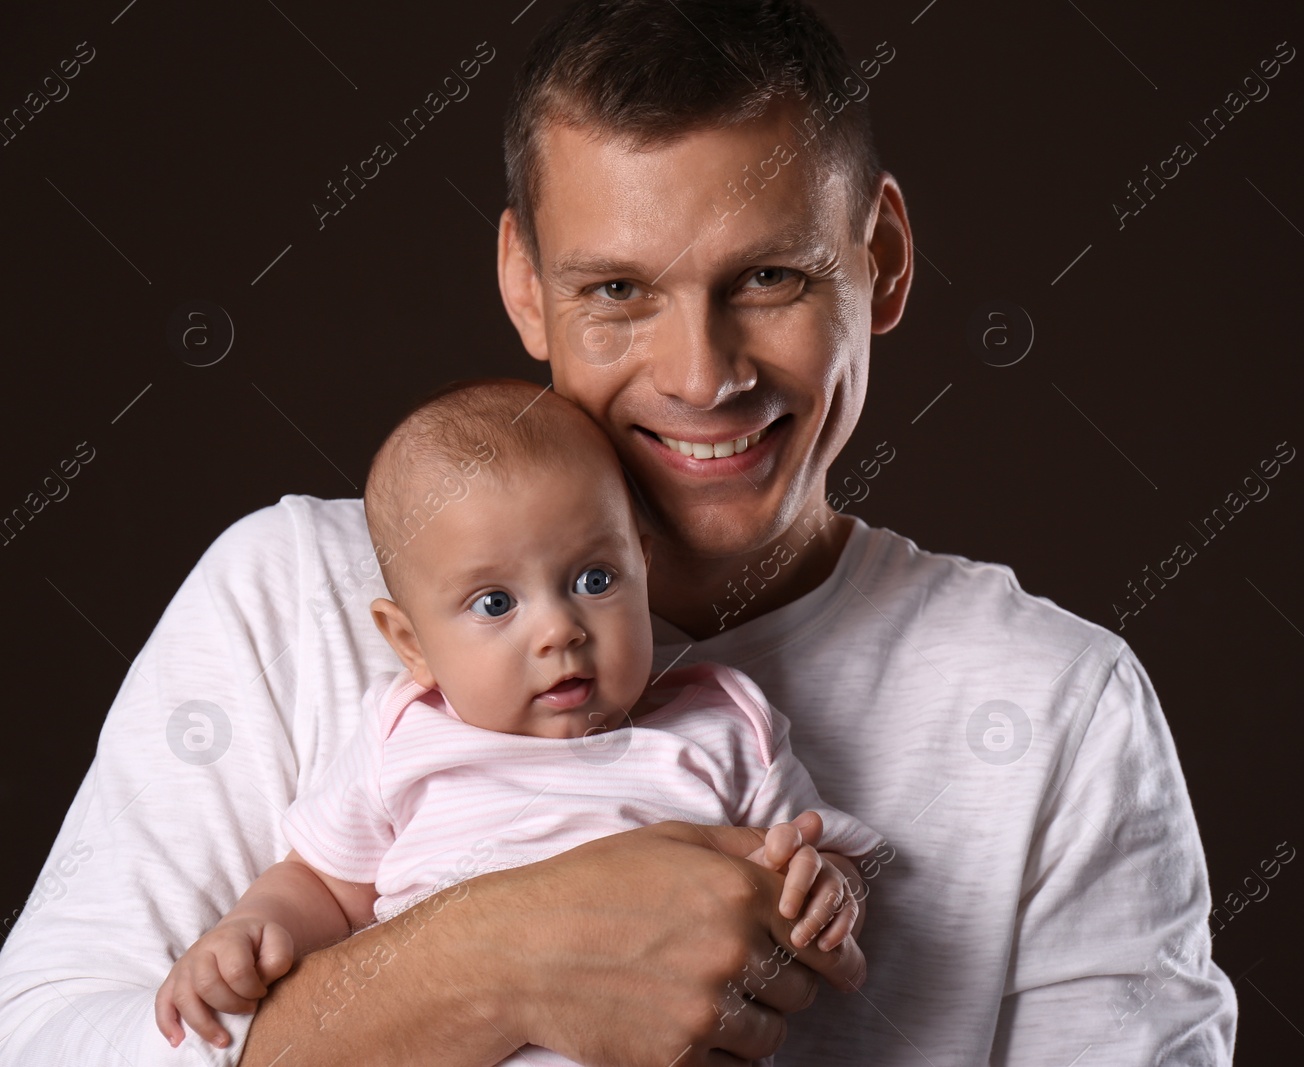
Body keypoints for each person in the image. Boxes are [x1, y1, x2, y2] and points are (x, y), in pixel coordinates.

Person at [0, 1, 1238, 1063]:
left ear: (886, 258)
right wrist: (497, 958)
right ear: (524, 284)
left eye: (771, 278)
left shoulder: (1060, 707)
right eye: (616, 291)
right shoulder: (286, 599)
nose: (702, 375)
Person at [152, 379, 884, 1059]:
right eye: (495, 603)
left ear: (643, 566)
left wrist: (830, 888)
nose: (559, 631)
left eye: (595, 580)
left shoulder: (725, 726)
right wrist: (248, 930)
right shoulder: (405, 738)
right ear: (412, 644)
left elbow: (819, 855)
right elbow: (321, 883)